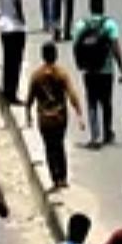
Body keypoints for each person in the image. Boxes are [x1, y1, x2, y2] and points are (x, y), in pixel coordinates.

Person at [25, 42, 84, 190]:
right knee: (59, 145)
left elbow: (29, 99)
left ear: (43, 56)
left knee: (49, 148)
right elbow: (72, 94)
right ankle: (63, 177)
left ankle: (55, 178)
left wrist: (28, 116)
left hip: (44, 119)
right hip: (60, 117)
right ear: (55, 55)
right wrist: (79, 115)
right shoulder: (62, 74)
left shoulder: (36, 75)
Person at [72, 0, 122, 147]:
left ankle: (95, 135)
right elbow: (116, 47)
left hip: (89, 70)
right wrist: (121, 68)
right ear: (103, 7)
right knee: (106, 102)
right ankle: (107, 133)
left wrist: (80, 64)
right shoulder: (109, 25)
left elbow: (76, 46)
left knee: (92, 102)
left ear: (90, 7)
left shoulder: (81, 25)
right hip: (106, 70)